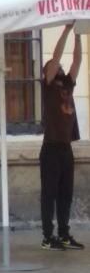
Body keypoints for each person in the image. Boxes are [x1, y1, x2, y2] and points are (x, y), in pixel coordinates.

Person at [39, 23, 84, 251]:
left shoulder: (67, 84)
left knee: (66, 193)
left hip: (66, 148)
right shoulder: (48, 86)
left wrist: (78, 35)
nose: (60, 67)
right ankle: (48, 237)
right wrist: (66, 30)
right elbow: (56, 57)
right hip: (50, 148)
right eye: (55, 67)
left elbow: (77, 61)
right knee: (50, 194)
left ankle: (64, 234)